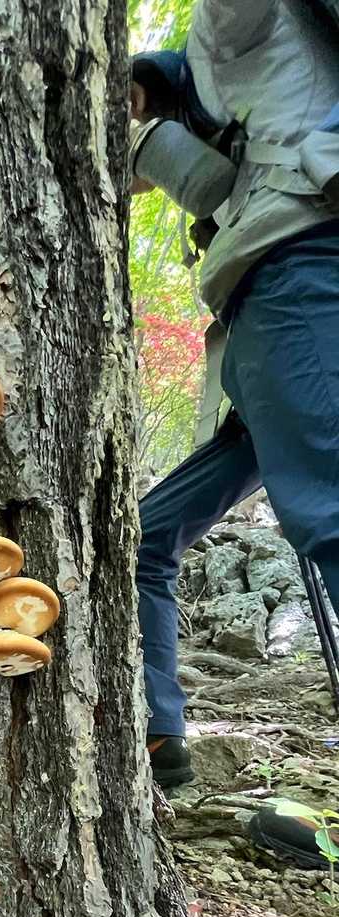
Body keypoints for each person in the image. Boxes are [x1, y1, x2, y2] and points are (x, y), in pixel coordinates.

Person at [129, 0, 339, 866]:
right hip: (266, 313)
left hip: (304, 271)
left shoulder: (244, 20)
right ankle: (160, 743)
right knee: (145, 537)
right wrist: (154, 86)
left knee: (332, 515)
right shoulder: (225, 76)